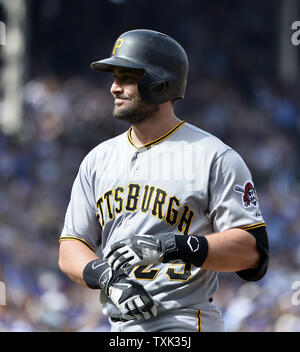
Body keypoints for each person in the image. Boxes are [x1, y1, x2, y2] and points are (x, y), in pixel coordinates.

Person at [58, 29, 269, 332]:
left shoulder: (213, 156)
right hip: (119, 327)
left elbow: (253, 251)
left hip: (184, 323)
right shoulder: (97, 159)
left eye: (127, 77)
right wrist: (107, 276)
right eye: (114, 77)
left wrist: (172, 245)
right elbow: (71, 246)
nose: (114, 88)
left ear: (160, 84)